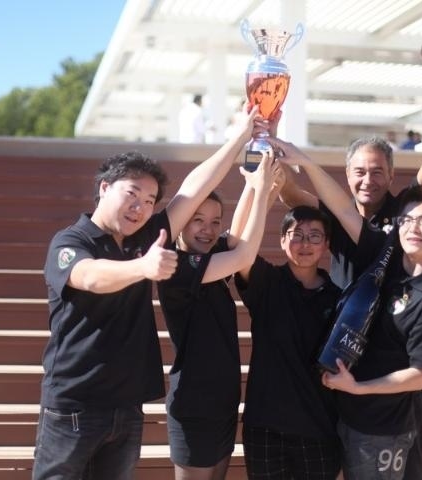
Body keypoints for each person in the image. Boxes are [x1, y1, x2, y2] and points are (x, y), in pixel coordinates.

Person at [33, 104, 261, 480]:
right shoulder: (71, 241)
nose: (141, 207)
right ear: (104, 188)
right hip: (74, 405)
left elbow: (194, 188)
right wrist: (142, 267)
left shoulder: (147, 236)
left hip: (127, 406)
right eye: (132, 194)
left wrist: (240, 137)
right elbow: (89, 277)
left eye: (151, 201)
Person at [272, 143, 422, 479]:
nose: (414, 228)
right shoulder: (387, 253)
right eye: (408, 221)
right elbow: (342, 209)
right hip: (347, 407)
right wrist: (305, 162)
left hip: (385, 421)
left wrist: (360, 387)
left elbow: (420, 374)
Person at [278, 65, 422, 289]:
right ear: (347, 174)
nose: (368, 181)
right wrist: (269, 137)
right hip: (345, 311)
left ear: (391, 176)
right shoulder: (337, 213)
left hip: (398, 310)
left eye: (377, 172)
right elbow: (289, 193)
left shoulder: (406, 210)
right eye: (360, 172)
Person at [157, 152, 281, 480]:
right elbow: (244, 254)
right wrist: (261, 189)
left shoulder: (211, 258)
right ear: (181, 223)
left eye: (215, 221)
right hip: (193, 405)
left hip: (224, 401)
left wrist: (256, 185)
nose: (208, 230)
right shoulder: (175, 266)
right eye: (197, 219)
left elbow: (240, 234)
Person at [235, 202, 345, 479]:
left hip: (319, 429)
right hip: (265, 428)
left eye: (315, 236)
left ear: (326, 244)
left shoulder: (340, 300)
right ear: (283, 241)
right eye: (296, 235)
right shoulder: (266, 282)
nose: (305, 244)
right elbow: (236, 245)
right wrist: (261, 192)